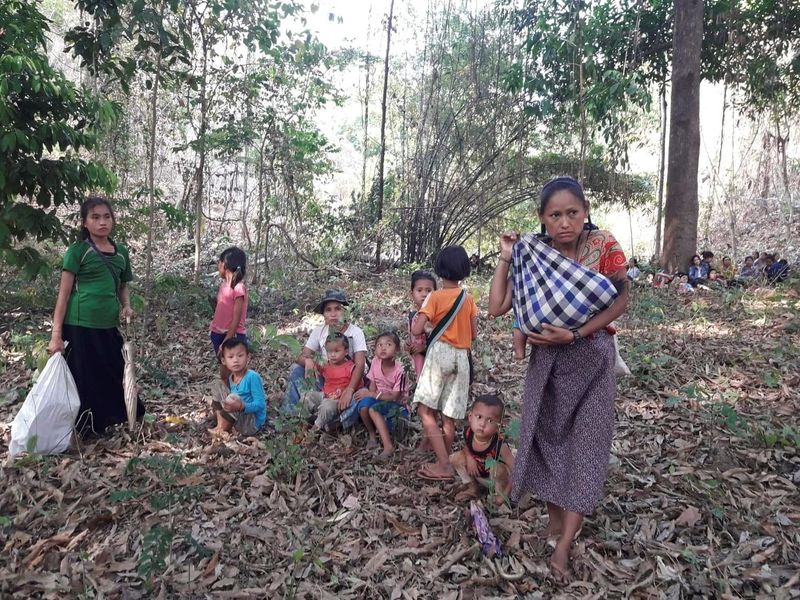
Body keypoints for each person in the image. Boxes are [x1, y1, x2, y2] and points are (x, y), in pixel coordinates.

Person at [487, 176, 629, 583]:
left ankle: (565, 543)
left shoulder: (603, 245)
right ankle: (555, 521)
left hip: (593, 360)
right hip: (547, 363)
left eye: (572, 213)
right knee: (547, 441)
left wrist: (576, 333)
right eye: (555, 215)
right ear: (542, 219)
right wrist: (505, 256)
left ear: (585, 212)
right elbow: (497, 306)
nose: (564, 222)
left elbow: (621, 299)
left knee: (588, 446)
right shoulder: (534, 255)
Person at [48, 196, 143, 436]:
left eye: (107, 217)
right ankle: (86, 427)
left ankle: (113, 418)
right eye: (95, 217)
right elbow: (64, 294)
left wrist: (127, 306)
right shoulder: (77, 252)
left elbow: (122, 286)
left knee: (114, 370)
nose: (102, 222)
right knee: (84, 375)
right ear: (84, 223)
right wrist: (56, 335)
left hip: (108, 324)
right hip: (79, 325)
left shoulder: (120, 252)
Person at [411, 245, 478, 481]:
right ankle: (444, 456)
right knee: (448, 416)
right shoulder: (467, 299)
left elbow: (417, 328)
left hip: (440, 355)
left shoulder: (435, 297)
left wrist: (428, 324)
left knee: (425, 410)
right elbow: (474, 333)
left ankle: (443, 465)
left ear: (439, 270)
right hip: (461, 358)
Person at [282, 289, 367, 414]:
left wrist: (350, 389)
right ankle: (292, 414)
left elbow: (360, 365)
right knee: (296, 369)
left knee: (356, 403)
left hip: (349, 381)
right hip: (327, 380)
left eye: (337, 309)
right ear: (324, 314)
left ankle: (329, 417)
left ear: (344, 311)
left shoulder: (355, 332)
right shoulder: (319, 331)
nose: (333, 314)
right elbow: (301, 356)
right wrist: (308, 360)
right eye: (328, 310)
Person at [350, 331, 408, 459]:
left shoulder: (400, 370)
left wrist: (372, 394)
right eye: (379, 345)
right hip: (379, 399)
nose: (383, 348)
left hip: (397, 408)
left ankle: (388, 447)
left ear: (397, 349)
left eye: (388, 344)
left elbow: (395, 397)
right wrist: (369, 395)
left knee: (373, 409)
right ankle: (372, 434)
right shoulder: (376, 362)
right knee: (364, 406)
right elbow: (372, 384)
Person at [450, 394, 515, 507]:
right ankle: (473, 488)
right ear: (470, 417)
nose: (482, 424)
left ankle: (499, 498)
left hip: (497, 479)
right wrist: (470, 458)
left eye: (490, 420)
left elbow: (516, 471)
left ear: (498, 427)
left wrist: (504, 495)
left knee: (496, 469)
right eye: (479, 417)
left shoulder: (499, 445)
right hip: (480, 474)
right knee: (455, 458)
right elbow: (467, 447)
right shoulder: (469, 432)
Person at [209, 339, 266, 436]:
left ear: (248, 357)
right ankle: (220, 425)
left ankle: (222, 430)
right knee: (217, 384)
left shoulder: (252, 377)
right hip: (238, 417)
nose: (235, 360)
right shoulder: (231, 378)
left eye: (240, 356)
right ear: (224, 361)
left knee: (234, 399)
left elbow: (260, 404)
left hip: (251, 423)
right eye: (230, 357)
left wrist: (242, 406)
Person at [209, 247, 248, 381]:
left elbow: (236, 318)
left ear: (224, 265)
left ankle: (238, 397)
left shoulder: (238, 288)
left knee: (236, 370)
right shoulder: (224, 285)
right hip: (218, 333)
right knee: (224, 367)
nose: (218, 266)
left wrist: (225, 342)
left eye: (218, 263)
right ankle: (227, 396)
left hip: (233, 335)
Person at [302, 333, 355, 430]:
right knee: (307, 396)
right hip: (324, 395)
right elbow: (314, 365)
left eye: (336, 351)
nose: (333, 354)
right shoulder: (326, 365)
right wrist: (309, 360)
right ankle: (302, 422)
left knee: (327, 406)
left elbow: (357, 386)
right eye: (329, 351)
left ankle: (315, 428)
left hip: (337, 401)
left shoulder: (350, 367)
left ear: (346, 351)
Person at [407, 270, 436, 378]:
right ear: (412, 294)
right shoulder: (413, 317)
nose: (424, 294)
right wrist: (408, 346)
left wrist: (423, 347)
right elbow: (412, 339)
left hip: (433, 369)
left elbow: (442, 343)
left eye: (428, 290)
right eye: (419, 290)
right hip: (417, 368)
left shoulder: (436, 318)